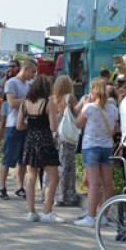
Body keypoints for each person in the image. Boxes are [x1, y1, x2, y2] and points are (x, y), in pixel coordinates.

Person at [18, 74, 63, 223]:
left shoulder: (24, 103)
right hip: (45, 141)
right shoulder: (48, 104)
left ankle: (31, 212)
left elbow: (19, 126)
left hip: (30, 140)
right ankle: (47, 211)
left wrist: (32, 126)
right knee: (54, 177)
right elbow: (53, 127)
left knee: (31, 177)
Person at [74, 77, 118, 227]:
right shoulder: (113, 108)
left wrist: (84, 105)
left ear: (93, 90)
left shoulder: (90, 108)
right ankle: (103, 214)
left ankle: (91, 217)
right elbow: (114, 129)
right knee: (107, 184)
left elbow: (78, 124)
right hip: (107, 147)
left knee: (93, 183)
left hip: (91, 146)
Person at [0, 59, 35, 200]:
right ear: (25, 69)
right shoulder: (11, 82)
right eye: (32, 71)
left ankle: (19, 187)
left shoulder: (30, 84)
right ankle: (2, 187)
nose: (33, 75)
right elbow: (12, 103)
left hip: (27, 125)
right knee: (8, 158)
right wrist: (29, 100)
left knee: (23, 159)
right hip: (13, 125)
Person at [51, 75, 81, 207]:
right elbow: (78, 113)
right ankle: (66, 196)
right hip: (66, 136)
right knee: (67, 166)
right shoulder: (69, 98)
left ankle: (52, 194)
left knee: (53, 166)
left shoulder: (52, 99)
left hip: (54, 135)